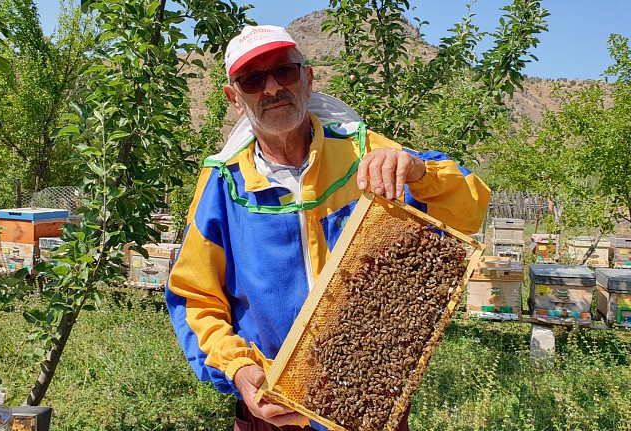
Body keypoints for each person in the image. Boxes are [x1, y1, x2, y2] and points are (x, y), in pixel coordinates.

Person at [166, 24, 490, 431]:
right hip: (271, 413)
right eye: (252, 80)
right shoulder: (222, 185)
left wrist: (420, 170)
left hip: (371, 407)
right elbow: (195, 297)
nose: (271, 89)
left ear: (308, 77)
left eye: (284, 71)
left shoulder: (365, 152)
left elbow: (469, 212)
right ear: (234, 98)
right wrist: (237, 370)